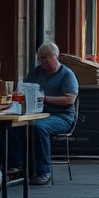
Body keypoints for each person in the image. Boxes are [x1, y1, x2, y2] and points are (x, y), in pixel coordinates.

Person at [7, 43, 78, 185]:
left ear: (55, 57)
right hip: (36, 113)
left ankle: (43, 171)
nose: (43, 62)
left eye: (46, 58)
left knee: (38, 127)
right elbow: (24, 88)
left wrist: (45, 99)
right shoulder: (36, 72)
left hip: (61, 116)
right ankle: (17, 167)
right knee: (13, 126)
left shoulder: (67, 74)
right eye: (41, 58)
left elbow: (69, 100)